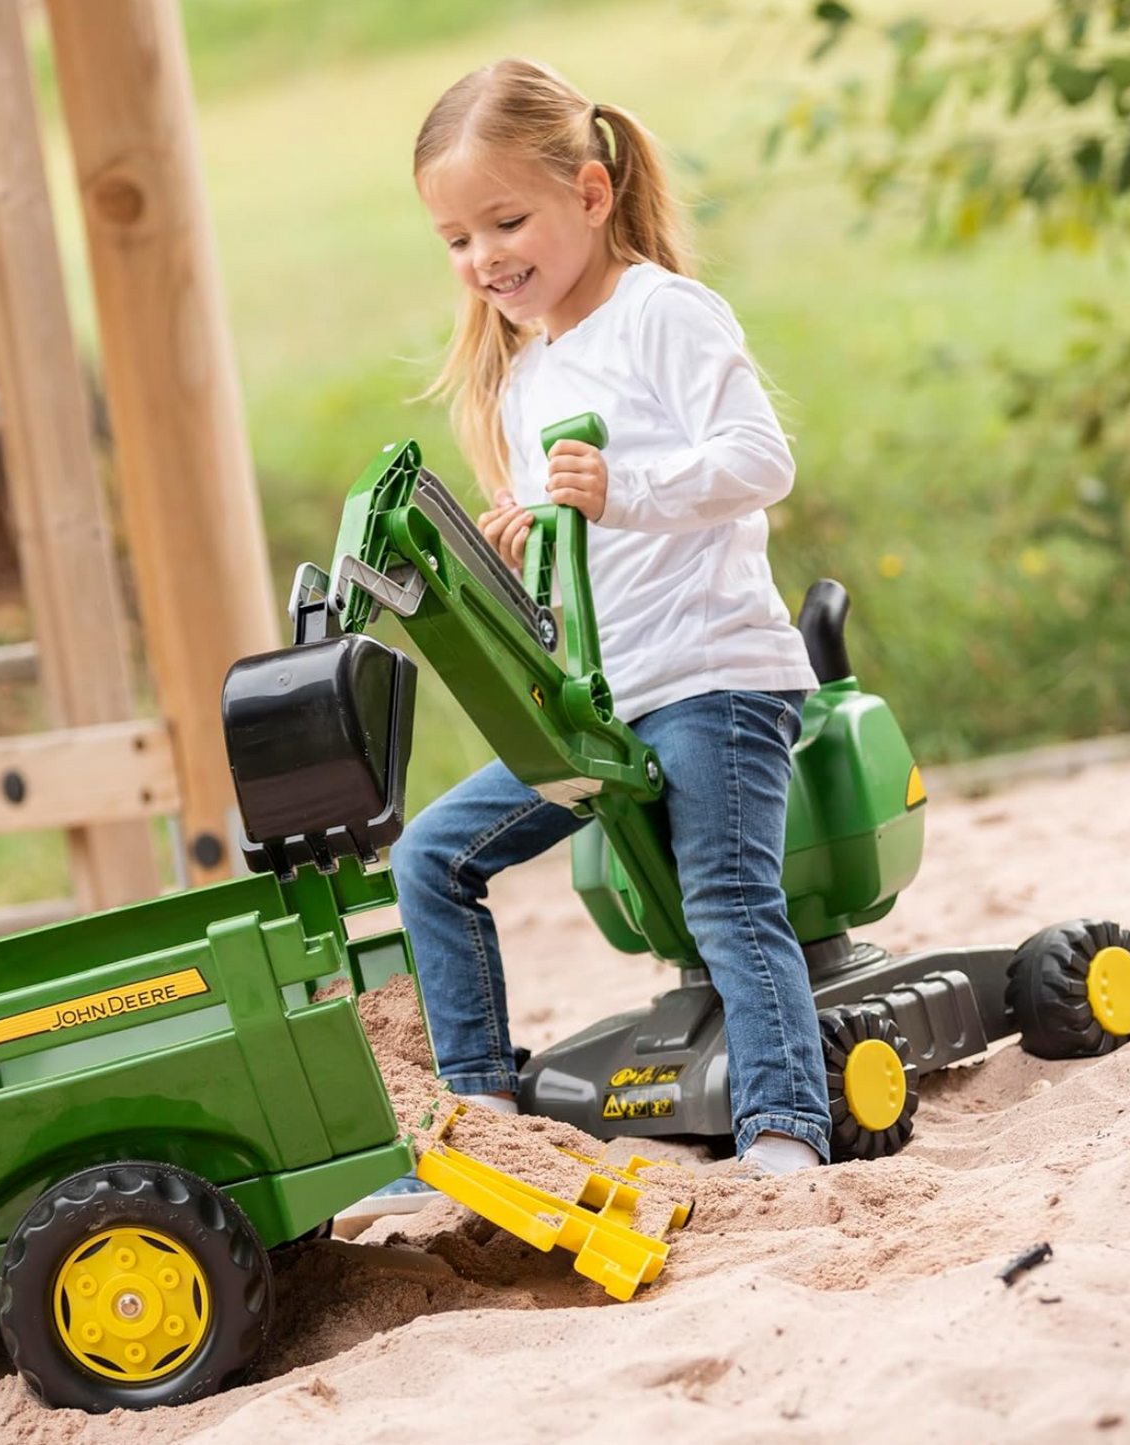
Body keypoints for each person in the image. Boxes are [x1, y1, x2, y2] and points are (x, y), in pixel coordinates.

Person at [338, 57, 827, 1230]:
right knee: (428, 861)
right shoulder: (525, 372)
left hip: (710, 675)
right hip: (601, 705)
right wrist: (524, 545)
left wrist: (621, 488)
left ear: (592, 195)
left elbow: (763, 462)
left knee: (723, 893)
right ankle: (480, 1122)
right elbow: (576, 549)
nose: (484, 258)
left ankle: (781, 1127)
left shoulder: (663, 311)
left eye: (506, 221)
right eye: (456, 238)